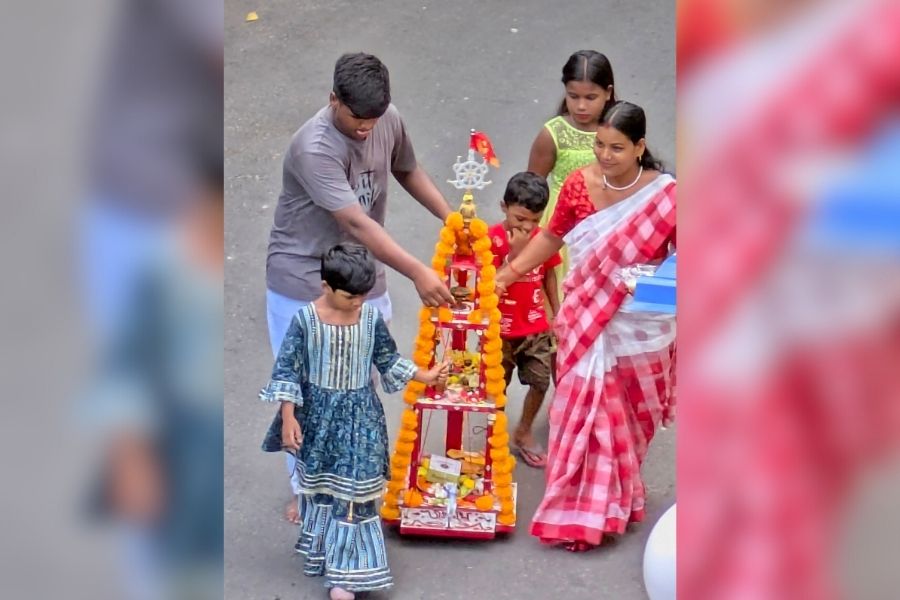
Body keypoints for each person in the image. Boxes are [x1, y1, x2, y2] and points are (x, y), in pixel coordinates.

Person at [266, 52, 454, 521]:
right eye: (357, 118)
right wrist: (417, 271)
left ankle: (350, 480)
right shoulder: (314, 147)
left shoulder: (386, 118)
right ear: (333, 100)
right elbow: (355, 221)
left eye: (374, 118)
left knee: (360, 386)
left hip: (362, 275)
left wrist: (452, 220)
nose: (367, 128)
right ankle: (306, 487)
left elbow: (407, 168)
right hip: (304, 277)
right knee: (309, 389)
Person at [496, 101, 676, 552]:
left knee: (629, 421)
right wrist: (509, 273)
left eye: (616, 147)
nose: (604, 155)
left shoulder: (667, 197)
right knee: (583, 410)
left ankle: (618, 497)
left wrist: (646, 286)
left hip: (640, 325)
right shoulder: (579, 185)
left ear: (639, 147)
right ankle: (583, 511)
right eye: (599, 144)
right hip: (586, 316)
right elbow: (552, 238)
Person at [259, 245, 449, 600]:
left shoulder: (370, 318)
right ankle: (329, 555)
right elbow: (288, 372)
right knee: (326, 489)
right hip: (318, 419)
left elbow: (387, 360)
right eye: (350, 297)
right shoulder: (305, 320)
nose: (358, 303)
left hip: (361, 418)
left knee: (357, 491)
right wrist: (288, 419)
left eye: (363, 296)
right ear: (326, 286)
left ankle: (347, 575)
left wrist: (426, 376)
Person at [488, 172, 561, 468]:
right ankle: (493, 435)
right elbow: (484, 283)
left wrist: (557, 311)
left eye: (534, 220)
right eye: (520, 219)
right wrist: (513, 256)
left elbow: (549, 274)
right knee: (495, 388)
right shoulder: (490, 239)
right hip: (499, 332)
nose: (528, 227)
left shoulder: (543, 240)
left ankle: (524, 431)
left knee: (541, 382)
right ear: (504, 207)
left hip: (536, 328)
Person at [527, 50, 617, 286]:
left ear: (608, 93)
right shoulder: (553, 134)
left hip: (606, 223)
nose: (581, 106)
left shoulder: (619, 130)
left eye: (590, 97)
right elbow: (531, 190)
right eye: (573, 96)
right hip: (561, 227)